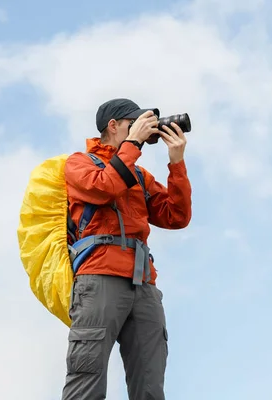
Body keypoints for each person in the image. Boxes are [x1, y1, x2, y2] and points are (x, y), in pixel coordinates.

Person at [61, 98, 192, 400]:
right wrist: (133, 144)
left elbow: (177, 216)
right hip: (99, 278)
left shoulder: (140, 176)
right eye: (134, 124)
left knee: (150, 385)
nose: (143, 130)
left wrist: (176, 162)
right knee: (87, 376)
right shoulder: (79, 163)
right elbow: (104, 187)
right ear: (114, 126)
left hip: (143, 283)